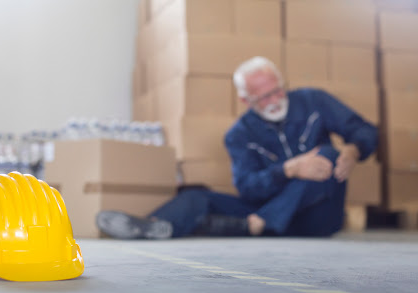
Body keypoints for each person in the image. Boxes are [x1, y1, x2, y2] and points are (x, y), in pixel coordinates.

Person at [96, 56, 378, 239]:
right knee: (198, 195)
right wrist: (287, 170)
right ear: (246, 100)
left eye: (277, 90)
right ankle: (153, 226)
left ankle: (255, 225)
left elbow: (365, 130)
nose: (274, 100)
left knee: (327, 154)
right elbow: (247, 187)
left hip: (316, 217)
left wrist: (353, 150)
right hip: (264, 209)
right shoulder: (238, 134)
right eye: (263, 97)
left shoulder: (314, 101)